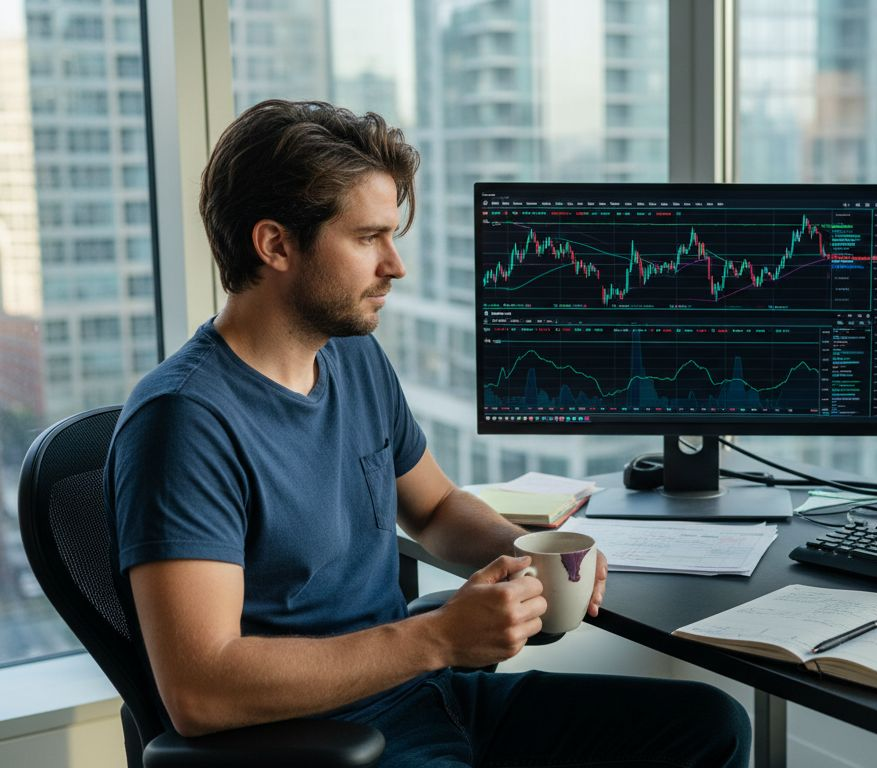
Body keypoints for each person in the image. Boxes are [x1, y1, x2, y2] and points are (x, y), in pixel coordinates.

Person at [105, 99, 750, 767]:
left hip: (424, 695)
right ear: (275, 245)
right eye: (367, 238)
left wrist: (527, 557)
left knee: (711, 726)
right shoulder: (183, 423)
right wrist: (439, 638)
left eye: (393, 237)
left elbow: (437, 508)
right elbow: (201, 690)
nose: (395, 265)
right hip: (323, 741)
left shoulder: (349, 355)